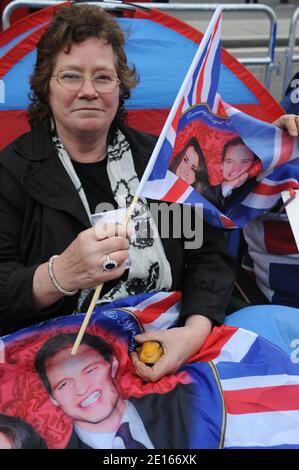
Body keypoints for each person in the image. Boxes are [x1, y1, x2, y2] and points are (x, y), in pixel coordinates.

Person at [0, 4, 235, 382]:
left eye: (104, 77)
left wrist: (192, 334)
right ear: (46, 85)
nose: (89, 91)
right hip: (63, 369)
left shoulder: (163, 164)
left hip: (168, 347)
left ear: (120, 87)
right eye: (71, 76)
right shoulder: (10, 174)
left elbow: (209, 254)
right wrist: (60, 274)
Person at [34, 332, 199, 449]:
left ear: (112, 365)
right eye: (64, 384)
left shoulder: (188, 402)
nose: (82, 389)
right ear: (53, 398)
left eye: (90, 370)